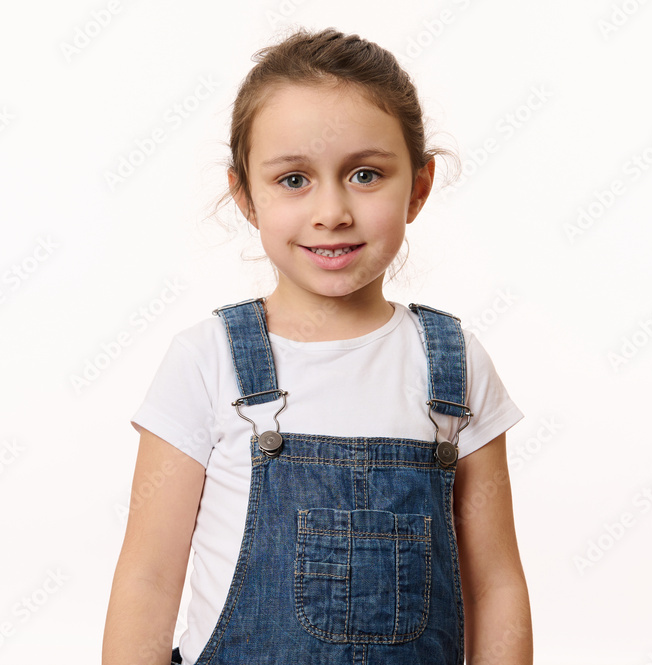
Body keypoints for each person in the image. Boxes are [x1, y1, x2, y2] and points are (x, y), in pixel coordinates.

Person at [103, 26, 532, 665]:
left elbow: (496, 584)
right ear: (245, 194)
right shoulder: (206, 361)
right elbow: (148, 577)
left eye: (365, 174)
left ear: (418, 186)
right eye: (294, 180)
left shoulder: (455, 365)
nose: (331, 211)